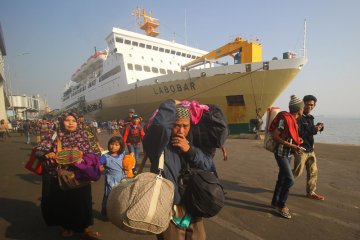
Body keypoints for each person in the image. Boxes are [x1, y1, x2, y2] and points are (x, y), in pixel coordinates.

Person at [143, 99, 213, 240]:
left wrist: (190, 150)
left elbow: (208, 165)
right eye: (176, 126)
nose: (181, 131)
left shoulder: (191, 144)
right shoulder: (159, 144)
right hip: (168, 209)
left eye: (185, 126)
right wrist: (171, 103)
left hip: (193, 206)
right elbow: (161, 124)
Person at [35, 112, 100, 239]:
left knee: (83, 202)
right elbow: (39, 151)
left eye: (73, 120)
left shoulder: (82, 135)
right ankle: (66, 227)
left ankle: (85, 227)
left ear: (77, 122)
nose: (71, 123)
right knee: (63, 203)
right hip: (58, 175)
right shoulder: (54, 135)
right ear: (61, 122)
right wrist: (47, 155)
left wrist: (82, 155)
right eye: (67, 120)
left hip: (79, 174)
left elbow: (93, 154)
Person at [269, 95, 304, 219]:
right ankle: (281, 205)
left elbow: (289, 135)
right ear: (299, 109)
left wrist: (297, 141)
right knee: (290, 180)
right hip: (281, 153)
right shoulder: (285, 119)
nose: (303, 109)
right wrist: (293, 146)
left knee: (282, 178)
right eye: (302, 107)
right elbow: (275, 136)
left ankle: (274, 202)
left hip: (288, 153)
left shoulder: (293, 120)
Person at [293, 95, 325, 201]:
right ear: (303, 104)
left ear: (314, 105)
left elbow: (309, 131)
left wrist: (319, 127)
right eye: (307, 104)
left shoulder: (310, 118)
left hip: (311, 149)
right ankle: (282, 186)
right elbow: (299, 133)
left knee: (313, 171)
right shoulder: (298, 117)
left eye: (312, 105)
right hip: (301, 149)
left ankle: (311, 192)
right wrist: (314, 129)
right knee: (297, 172)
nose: (309, 107)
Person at [100, 136, 126, 216]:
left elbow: (127, 163)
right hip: (111, 180)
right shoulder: (105, 156)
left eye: (116, 145)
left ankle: (118, 212)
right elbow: (98, 166)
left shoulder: (122, 154)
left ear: (121, 146)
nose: (113, 146)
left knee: (121, 196)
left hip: (123, 179)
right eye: (112, 144)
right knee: (109, 196)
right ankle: (106, 213)